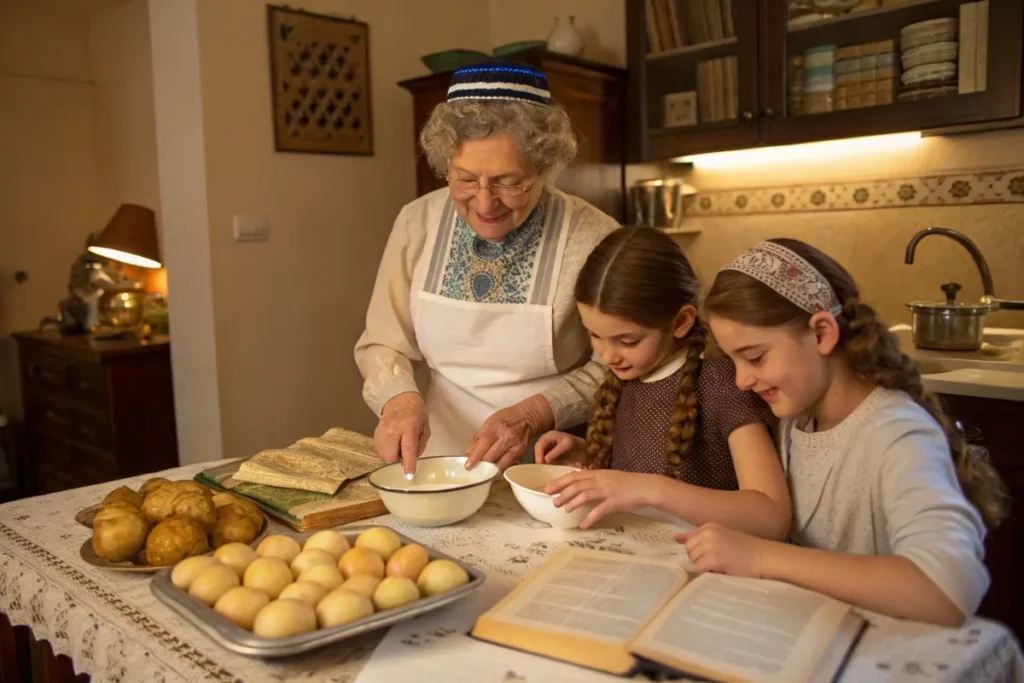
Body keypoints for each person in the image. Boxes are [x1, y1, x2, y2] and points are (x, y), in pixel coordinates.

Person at [682, 238, 1006, 626]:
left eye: (754, 357)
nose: (741, 380)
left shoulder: (896, 433)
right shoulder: (796, 420)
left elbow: (946, 588)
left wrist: (759, 557)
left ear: (821, 333)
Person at [354, 63, 619, 474]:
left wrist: (534, 413)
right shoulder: (416, 222)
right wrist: (400, 400)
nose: (483, 203)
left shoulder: (594, 236)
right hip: (437, 462)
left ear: (543, 168)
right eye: (464, 180)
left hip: (547, 467)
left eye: (507, 182)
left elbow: (615, 365)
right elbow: (383, 342)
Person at [535, 228, 790, 535]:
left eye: (627, 340)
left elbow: (770, 516)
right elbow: (642, 463)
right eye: (594, 335)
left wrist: (652, 489)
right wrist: (586, 452)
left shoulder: (721, 381)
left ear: (681, 321)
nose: (608, 355)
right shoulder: (627, 376)